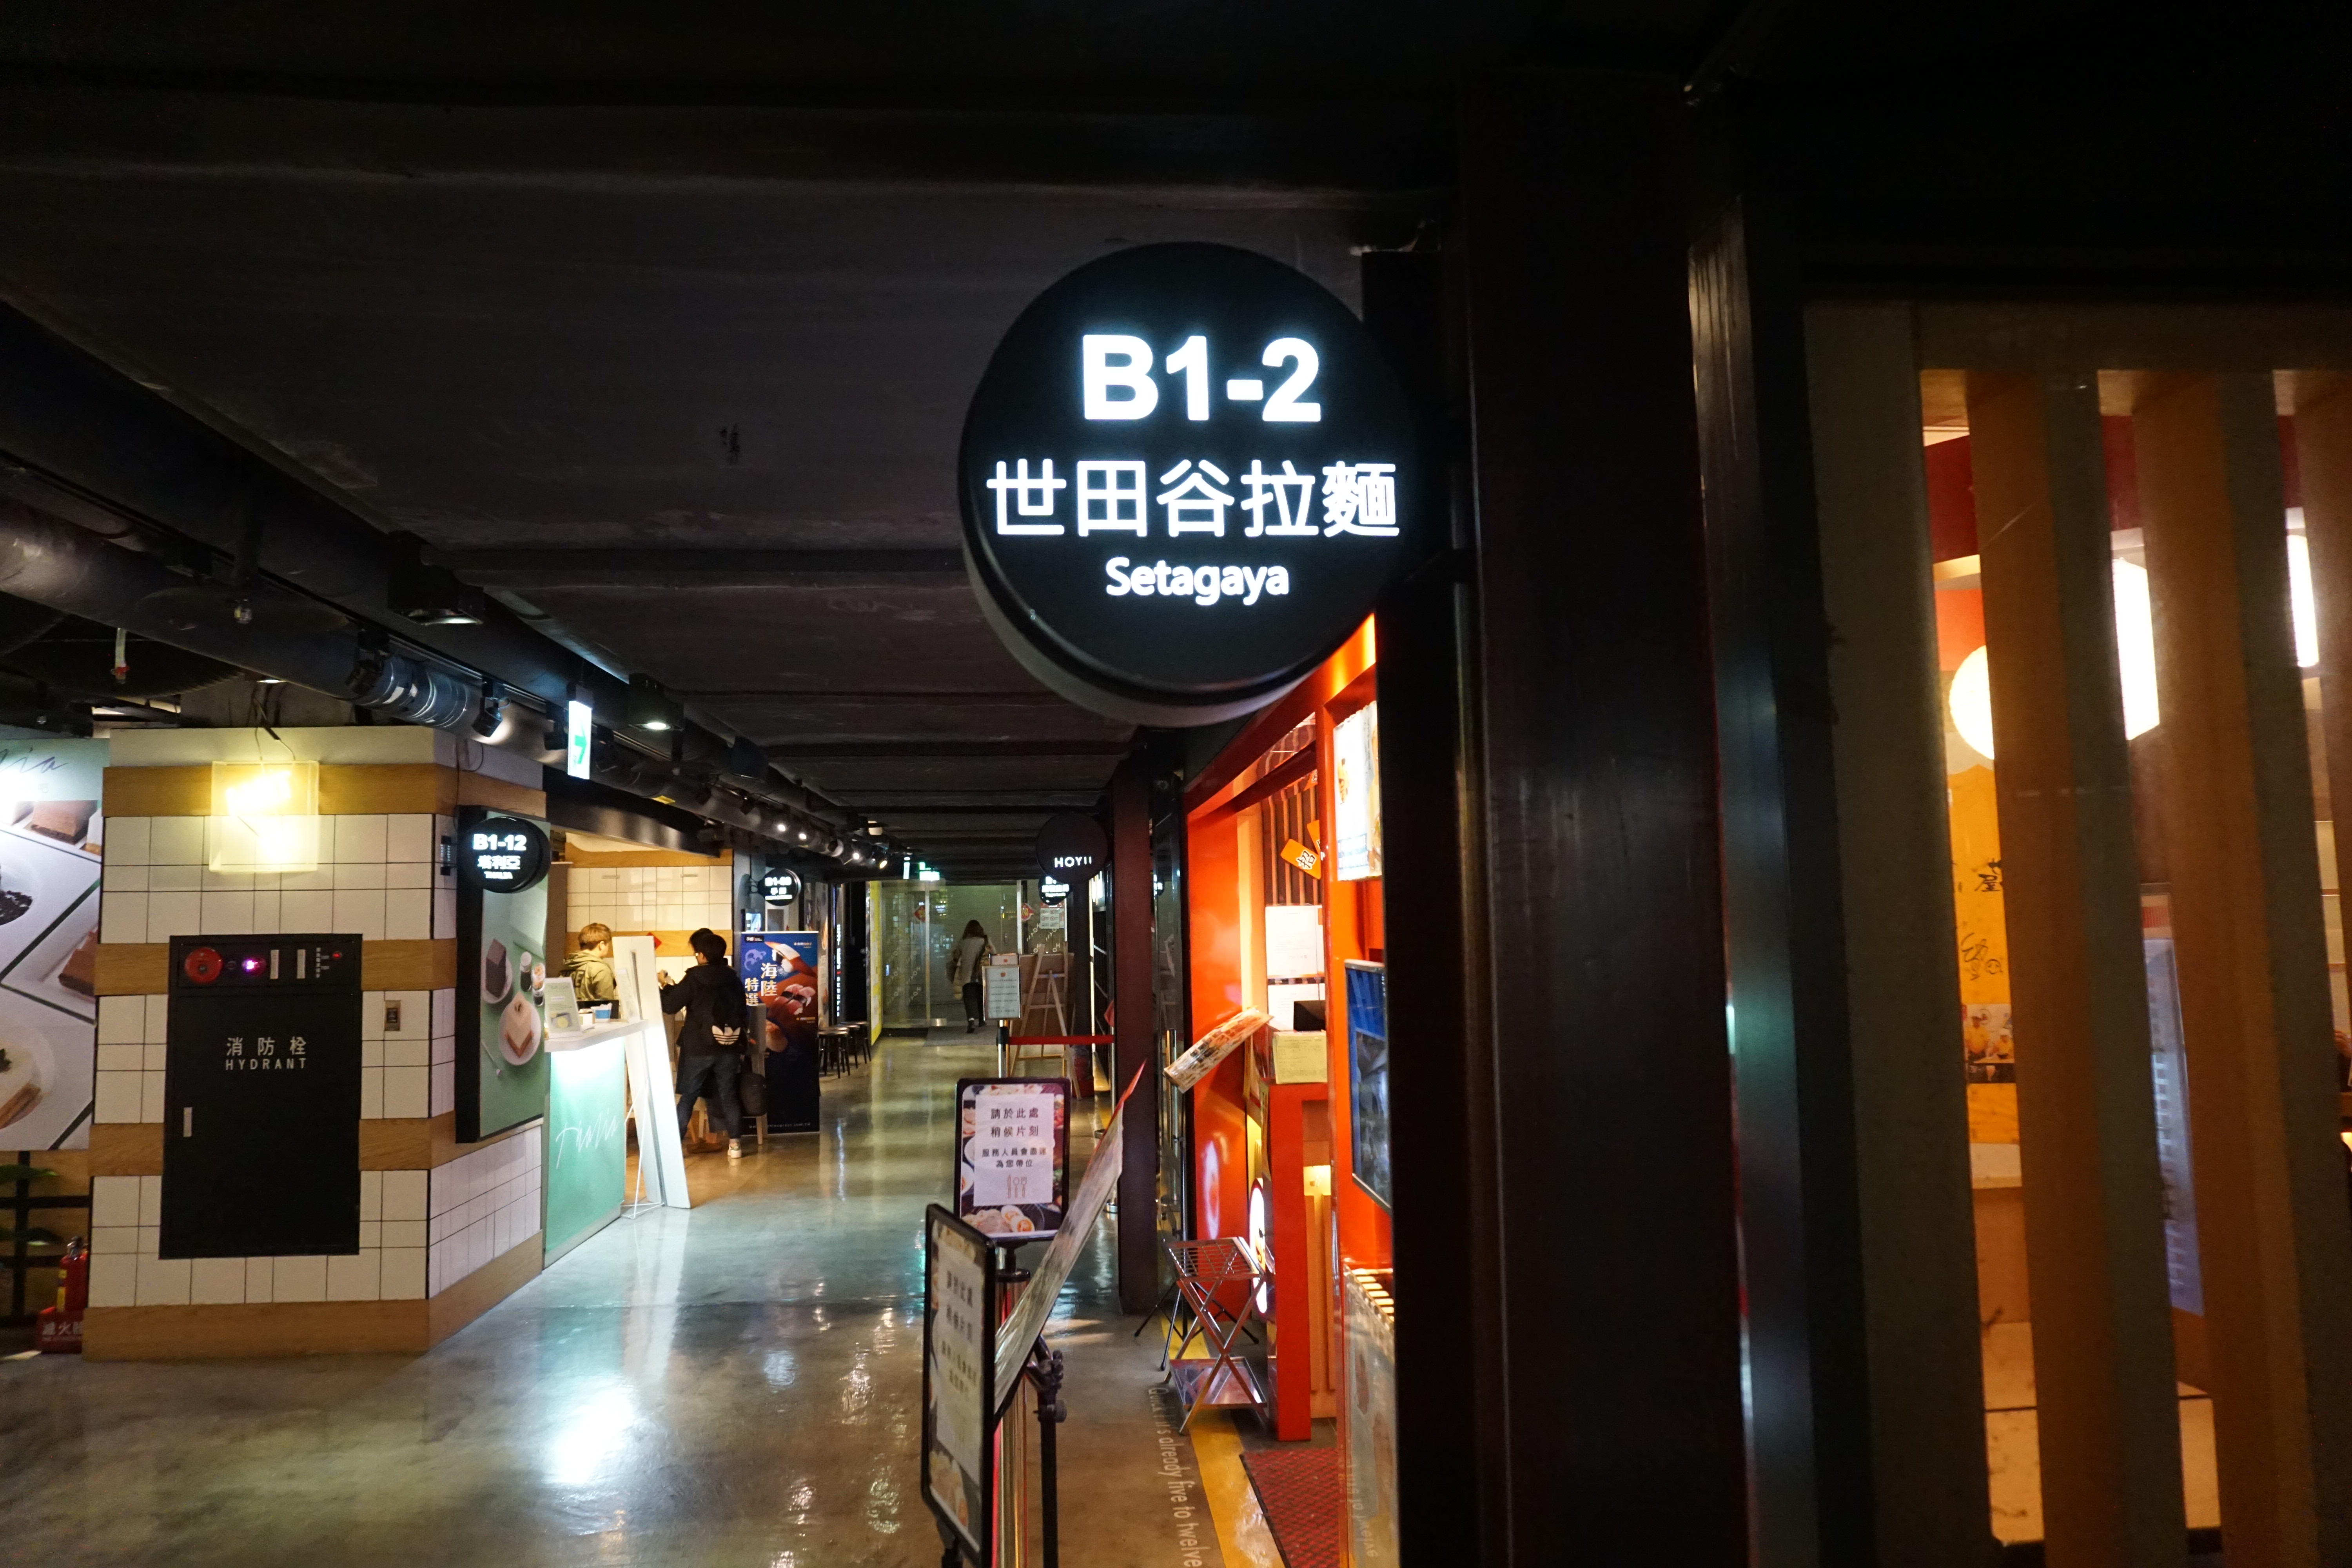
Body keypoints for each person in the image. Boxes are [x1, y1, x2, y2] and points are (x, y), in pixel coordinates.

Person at [663, 927, 752, 1159]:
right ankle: (735, 1146)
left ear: (702, 955)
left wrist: (664, 986)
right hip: (728, 1046)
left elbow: (670, 1006)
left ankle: (674, 1147)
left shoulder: (694, 977)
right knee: (728, 1095)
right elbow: (743, 1012)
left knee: (689, 1097)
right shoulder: (733, 979)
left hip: (699, 1047)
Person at [949, 918, 992, 1033]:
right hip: (981, 974)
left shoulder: (963, 942)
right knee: (981, 997)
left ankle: (971, 1021)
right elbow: (994, 953)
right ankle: (982, 1020)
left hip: (967, 975)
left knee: (969, 998)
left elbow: (956, 956)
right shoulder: (985, 940)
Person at [563, 923, 619, 1008]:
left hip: (568, 1016)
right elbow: (605, 1006)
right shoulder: (601, 970)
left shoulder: (565, 965)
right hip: (592, 1016)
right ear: (602, 945)